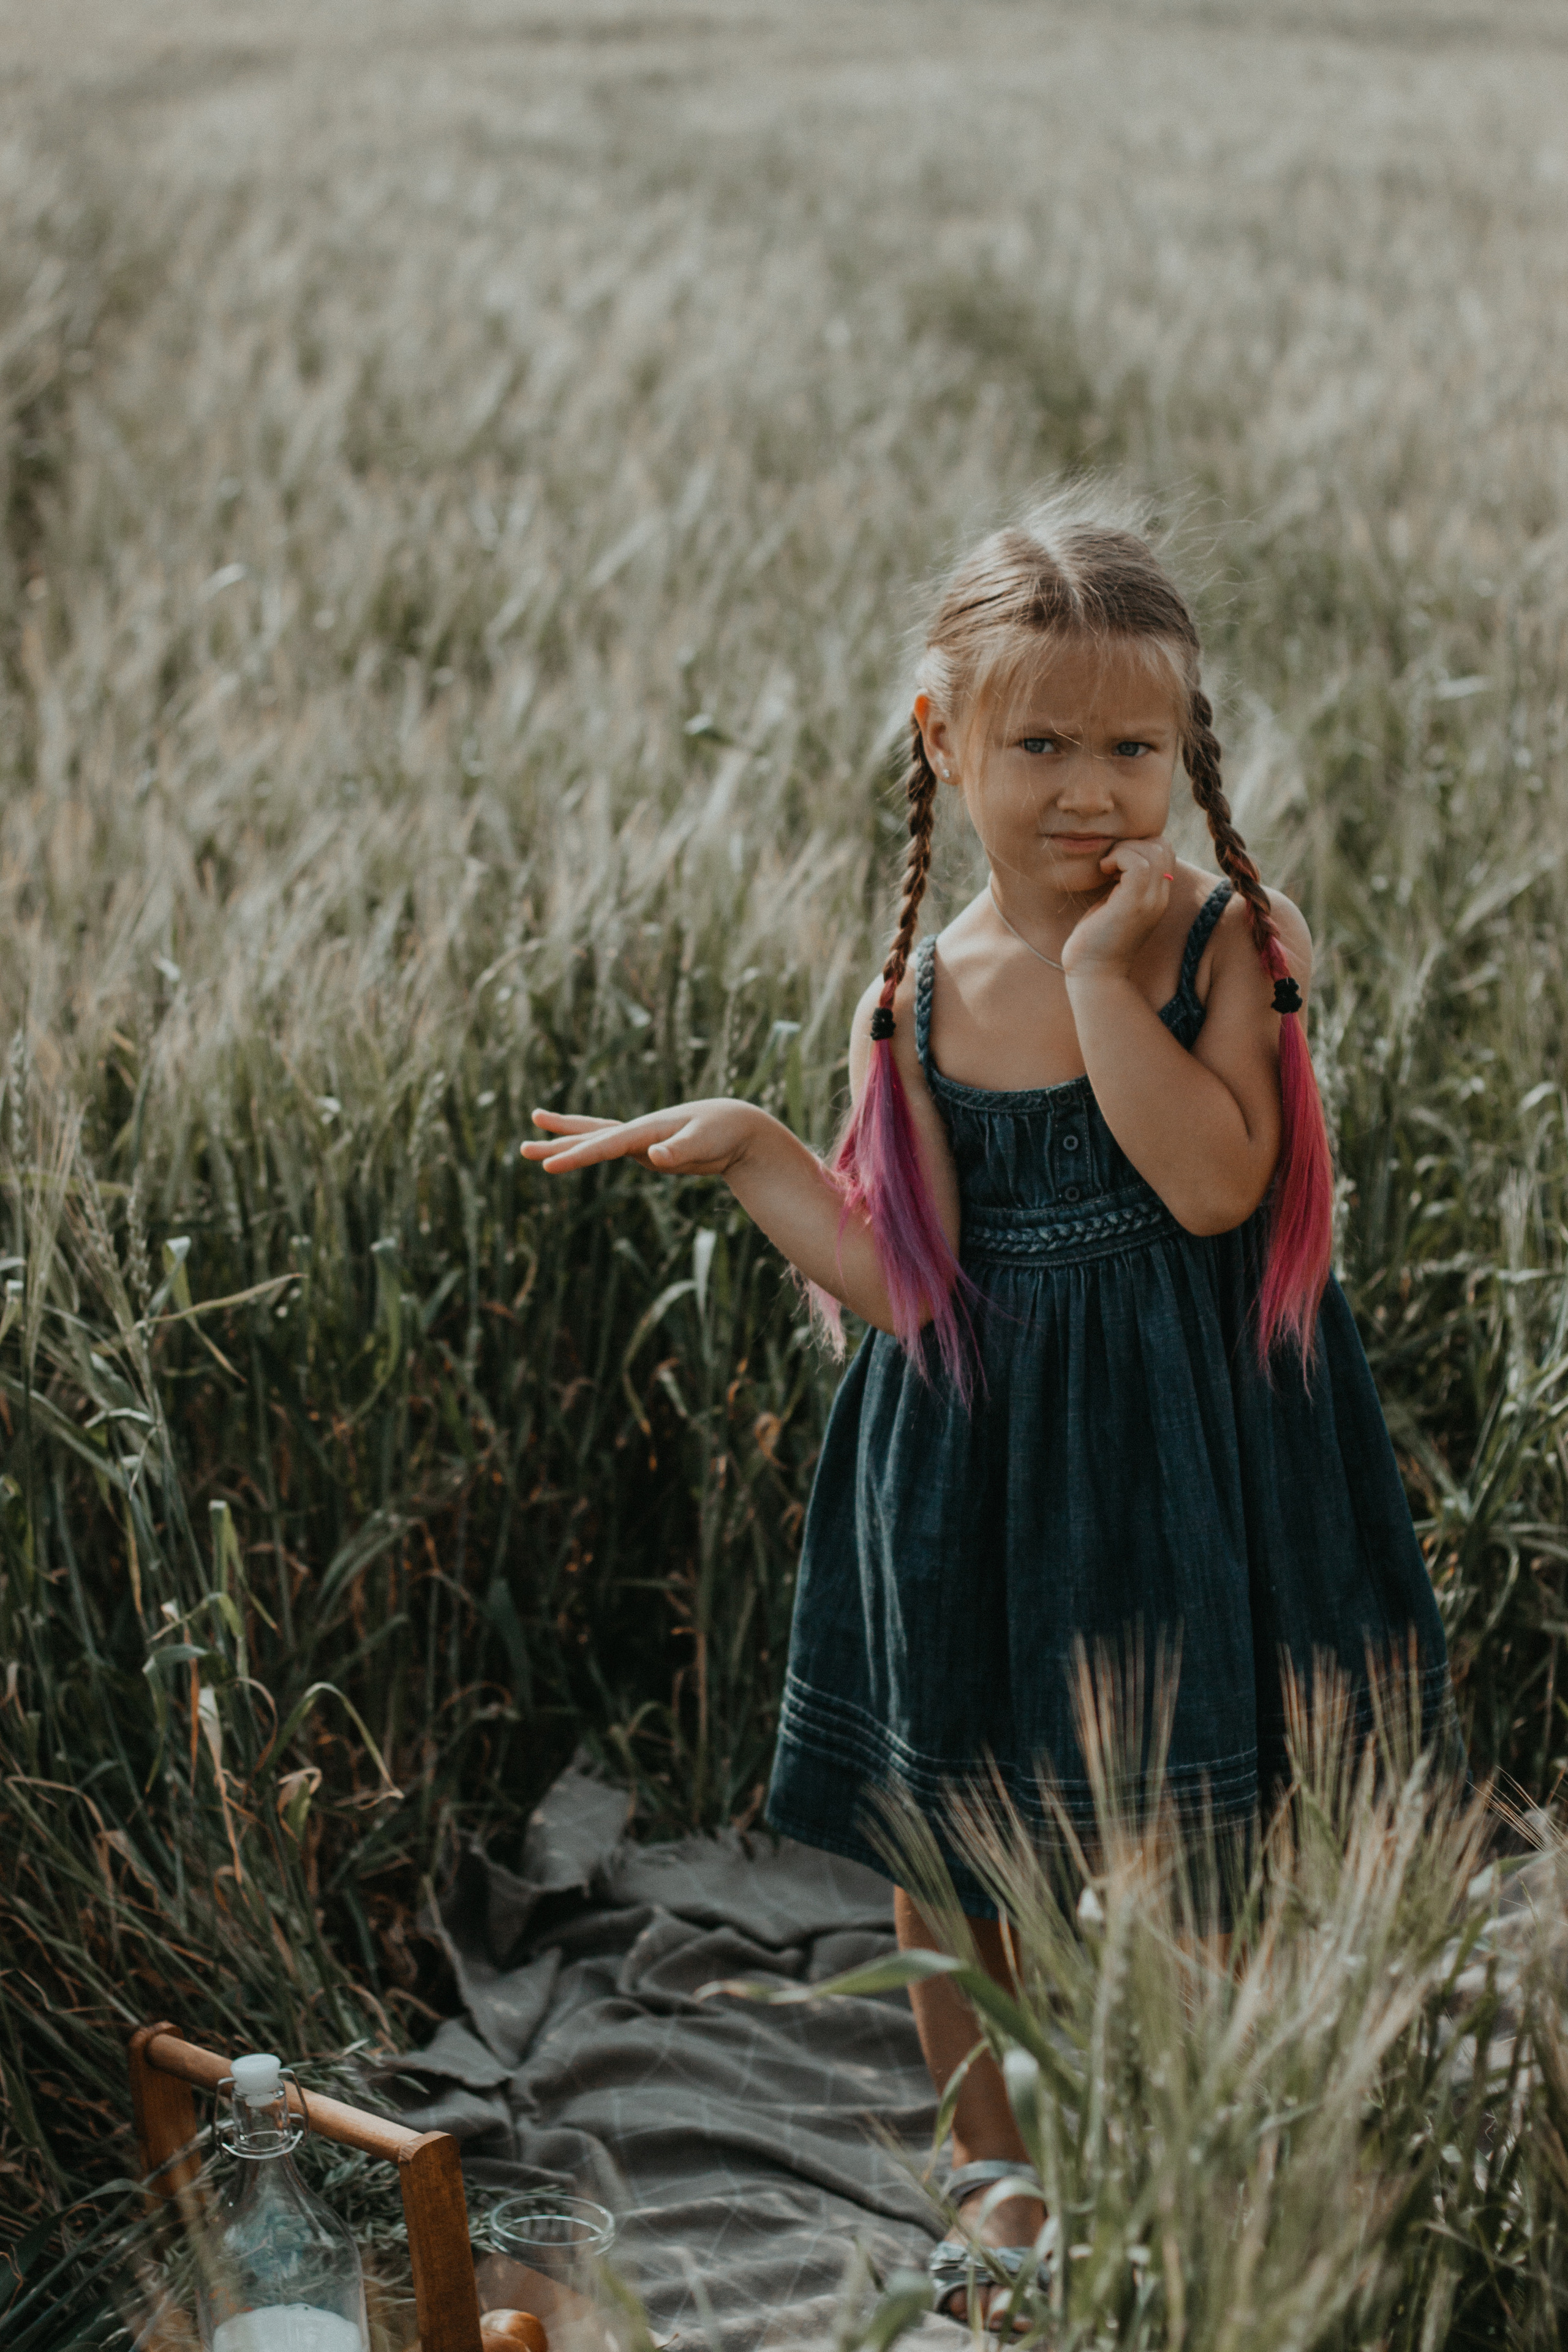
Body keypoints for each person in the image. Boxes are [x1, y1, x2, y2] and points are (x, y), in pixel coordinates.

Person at [522, 490, 1457, 2323]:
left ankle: (1198, 2150)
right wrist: (763, 1153)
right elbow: (907, 1286)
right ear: (943, 740)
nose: (1091, 790)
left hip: (1192, 1461)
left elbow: (1215, 1188)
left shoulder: (1222, 947)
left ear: (1187, 748)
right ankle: (999, 2179)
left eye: (1133, 748)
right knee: (952, 1852)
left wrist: (1103, 973)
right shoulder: (916, 998)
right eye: (1040, 746)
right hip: (986, 1469)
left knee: (1188, 1836)